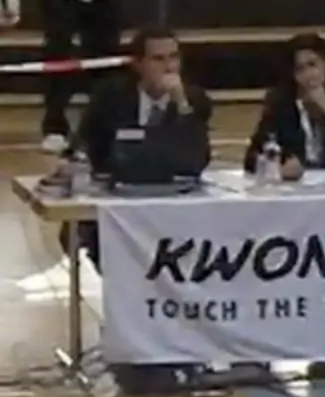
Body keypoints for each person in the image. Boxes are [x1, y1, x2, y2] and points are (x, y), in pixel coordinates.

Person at [57, 26, 211, 266]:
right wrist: (72, 161)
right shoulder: (110, 96)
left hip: (174, 199)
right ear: (137, 64)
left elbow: (198, 159)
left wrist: (181, 104)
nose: (169, 67)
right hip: (116, 196)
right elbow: (83, 142)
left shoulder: (194, 100)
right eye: (158, 59)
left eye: (174, 58)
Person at [244, 33, 325, 177]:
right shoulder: (280, 101)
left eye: (312, 65)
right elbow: (252, 158)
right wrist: (279, 165)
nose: (309, 74)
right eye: (300, 69)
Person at [38, 0, 123, 153]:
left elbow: (111, 31)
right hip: (64, 30)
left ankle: (101, 128)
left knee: (107, 64)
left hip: (101, 30)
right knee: (59, 55)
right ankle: (55, 128)